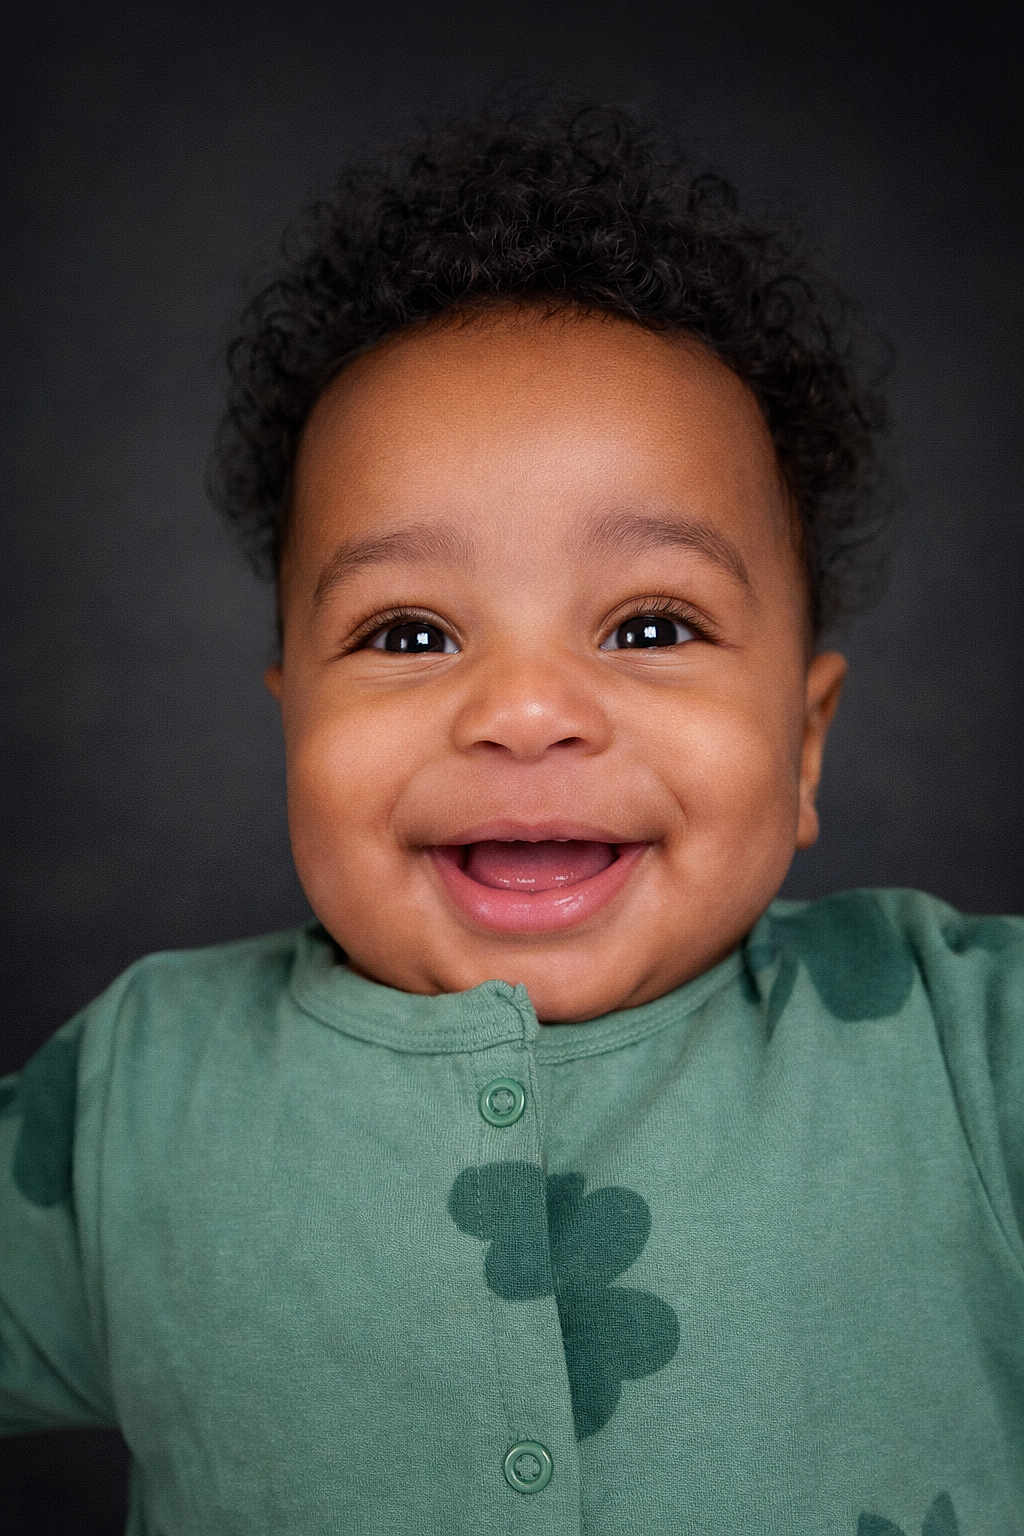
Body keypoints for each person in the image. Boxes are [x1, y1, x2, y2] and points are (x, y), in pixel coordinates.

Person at [1, 101, 1021, 1536]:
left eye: (652, 623)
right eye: (409, 634)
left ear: (804, 744)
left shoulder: (968, 1056)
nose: (527, 710)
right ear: (291, 718)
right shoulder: (135, 1099)